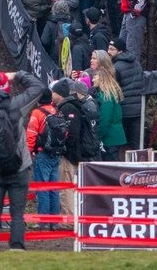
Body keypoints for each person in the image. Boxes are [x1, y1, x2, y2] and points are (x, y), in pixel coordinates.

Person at [0, 71, 45, 250]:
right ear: (8, 88)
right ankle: (16, 246)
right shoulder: (16, 106)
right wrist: (18, 74)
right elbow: (38, 87)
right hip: (18, 167)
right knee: (17, 213)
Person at [50, 79, 98, 224]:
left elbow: (71, 134)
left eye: (53, 92)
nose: (51, 94)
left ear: (59, 94)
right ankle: (68, 217)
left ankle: (68, 220)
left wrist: (64, 149)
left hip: (70, 155)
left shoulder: (68, 108)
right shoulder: (71, 106)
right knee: (67, 185)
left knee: (66, 186)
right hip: (73, 154)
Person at [25, 93, 61, 230]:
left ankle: (43, 221)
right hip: (55, 154)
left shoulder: (37, 113)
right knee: (54, 188)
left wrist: (28, 152)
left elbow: (31, 134)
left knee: (42, 188)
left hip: (42, 153)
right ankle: (54, 222)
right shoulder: (56, 111)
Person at [109, 37, 145, 149]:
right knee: (136, 145)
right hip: (139, 110)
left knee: (120, 144)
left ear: (120, 51)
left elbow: (112, 90)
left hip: (123, 110)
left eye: (112, 49)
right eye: (108, 49)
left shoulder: (115, 68)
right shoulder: (137, 63)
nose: (108, 52)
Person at [90, 52, 126, 160]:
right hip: (114, 137)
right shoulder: (110, 91)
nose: (93, 79)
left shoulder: (105, 95)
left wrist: (98, 136)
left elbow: (105, 119)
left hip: (110, 139)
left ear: (101, 77)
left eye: (95, 76)